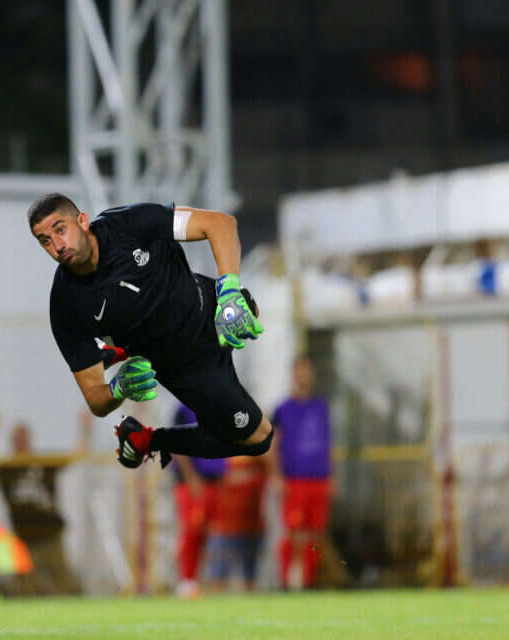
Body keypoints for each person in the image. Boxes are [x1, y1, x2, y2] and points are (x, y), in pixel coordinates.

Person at [28, 193, 273, 468]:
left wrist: (229, 292)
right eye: (45, 240)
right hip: (188, 367)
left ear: (82, 221)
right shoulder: (65, 305)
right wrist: (118, 388)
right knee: (259, 438)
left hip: (209, 305)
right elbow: (94, 398)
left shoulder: (127, 224)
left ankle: (119, 354)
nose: (57, 246)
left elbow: (221, 224)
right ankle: (145, 440)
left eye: (60, 230)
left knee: (247, 303)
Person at [270, 356, 332, 589]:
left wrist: (331, 475)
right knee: (293, 531)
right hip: (294, 480)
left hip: (318, 480)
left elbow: (327, 443)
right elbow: (272, 445)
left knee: (315, 532)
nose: (304, 375)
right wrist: (277, 475)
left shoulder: (320, 407)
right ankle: (288, 580)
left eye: (307, 371)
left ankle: (308, 580)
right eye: (300, 371)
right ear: (293, 374)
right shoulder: (282, 409)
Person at [170, 405, 226, 598]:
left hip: (213, 482)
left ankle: (197, 580)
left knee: (205, 534)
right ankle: (186, 580)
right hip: (192, 483)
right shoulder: (182, 410)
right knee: (191, 531)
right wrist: (191, 477)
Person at [206, 455, 268, 592]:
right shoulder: (216, 456)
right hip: (222, 525)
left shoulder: (258, 457)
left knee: (250, 573)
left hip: (251, 524)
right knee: (218, 574)